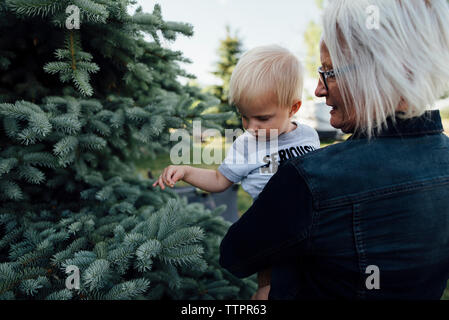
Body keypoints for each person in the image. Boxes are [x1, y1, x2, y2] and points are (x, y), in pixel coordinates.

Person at [219, 0, 449, 299]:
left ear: (382, 72)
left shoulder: (312, 180)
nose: (318, 89)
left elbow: (235, 255)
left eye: (330, 72)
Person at [153, 45, 320, 299]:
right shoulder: (246, 144)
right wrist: (186, 170)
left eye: (262, 118)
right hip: (273, 234)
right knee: (268, 292)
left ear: (293, 108)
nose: (251, 127)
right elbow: (220, 179)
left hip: (312, 231)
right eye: (244, 117)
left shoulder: (308, 135)